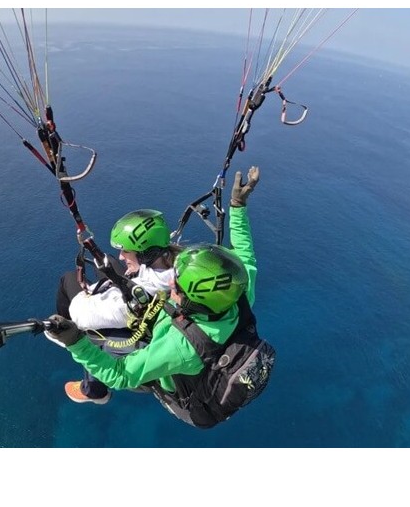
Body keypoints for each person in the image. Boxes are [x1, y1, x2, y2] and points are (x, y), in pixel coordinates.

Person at [46, 166, 261, 423]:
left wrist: (75, 342)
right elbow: (244, 255)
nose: (172, 288)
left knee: (95, 342)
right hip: (195, 345)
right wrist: (237, 206)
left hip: (176, 386)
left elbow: (122, 375)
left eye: (177, 288)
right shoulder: (238, 293)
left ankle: (94, 391)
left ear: (193, 301)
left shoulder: (180, 347)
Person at [51, 209, 180, 404]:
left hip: (137, 328)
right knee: (105, 261)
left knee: (69, 281)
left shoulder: (125, 305)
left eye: (126, 251)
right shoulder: (179, 263)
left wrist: (72, 333)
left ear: (147, 254)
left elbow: (81, 315)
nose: (121, 257)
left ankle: (94, 390)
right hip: (146, 305)